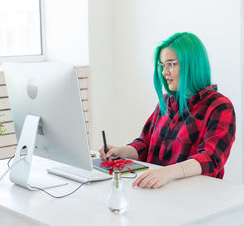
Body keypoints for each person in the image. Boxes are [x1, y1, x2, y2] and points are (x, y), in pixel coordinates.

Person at [99, 32, 235, 189]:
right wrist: (121, 151)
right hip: (158, 191)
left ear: (192, 64)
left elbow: (210, 159)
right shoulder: (166, 102)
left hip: (195, 196)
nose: (164, 72)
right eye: (163, 65)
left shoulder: (220, 107)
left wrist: (166, 173)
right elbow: (146, 143)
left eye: (171, 64)